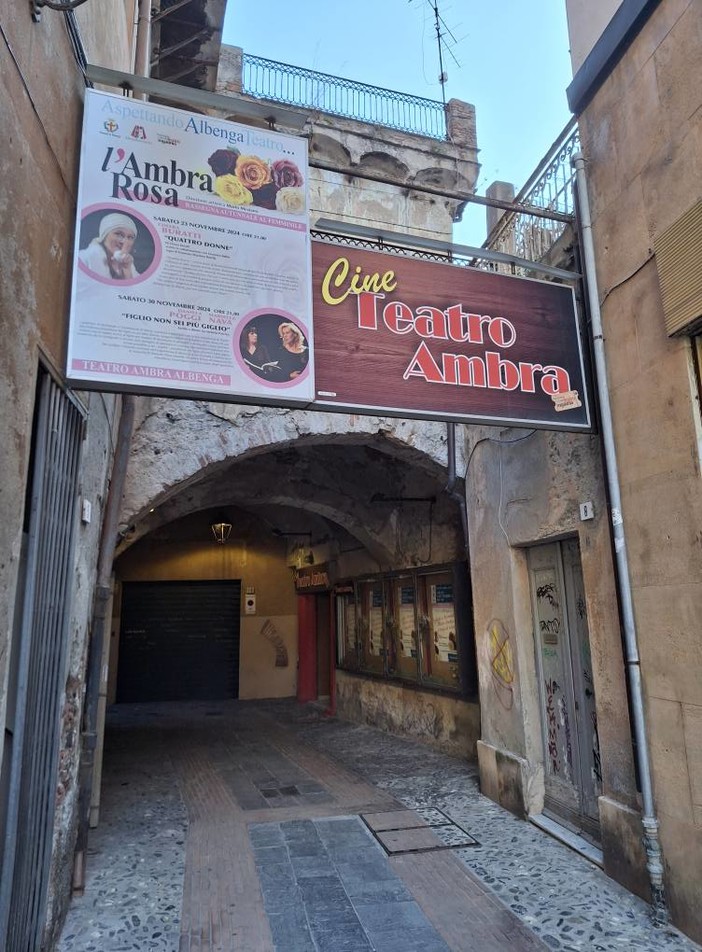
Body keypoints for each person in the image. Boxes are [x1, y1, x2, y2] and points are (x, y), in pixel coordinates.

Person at [79, 212, 141, 279]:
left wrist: (127, 272)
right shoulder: (82, 259)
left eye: (130, 237)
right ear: (104, 236)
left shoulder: (129, 264)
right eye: (118, 234)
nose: (124, 241)